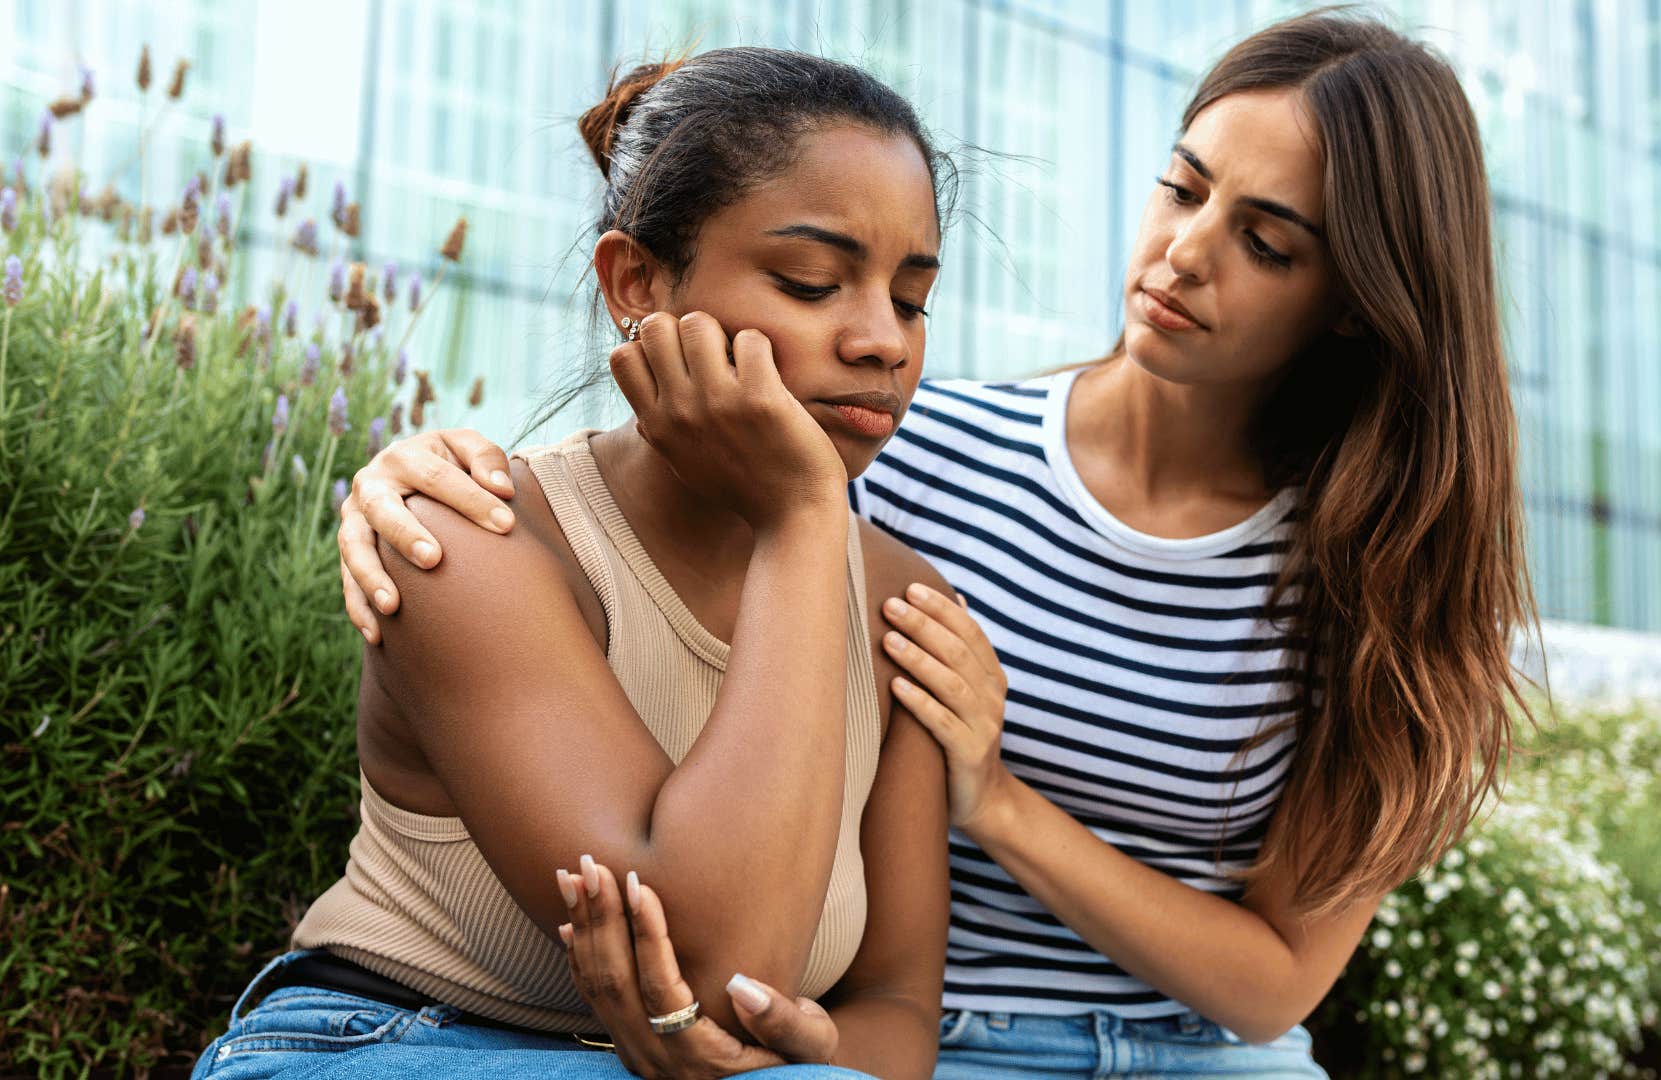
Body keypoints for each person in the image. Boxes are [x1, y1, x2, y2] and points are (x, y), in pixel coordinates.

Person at [336, 12, 1534, 1078]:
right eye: (1182, 188)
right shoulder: (895, 451)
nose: (1183, 252)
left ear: (1358, 298)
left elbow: (1274, 977)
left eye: (1268, 242)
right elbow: (669, 478)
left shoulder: (1390, 584)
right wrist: (405, 473)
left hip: (1206, 1052)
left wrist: (995, 796)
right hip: (954, 1042)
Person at [196, 47, 969, 1080]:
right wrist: (800, 516)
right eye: (813, 282)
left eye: (912, 300)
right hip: (387, 1045)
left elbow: (897, 1014)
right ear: (636, 283)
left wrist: (797, 1051)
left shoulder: (901, 605)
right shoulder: (469, 537)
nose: (883, 341)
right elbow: (712, 961)